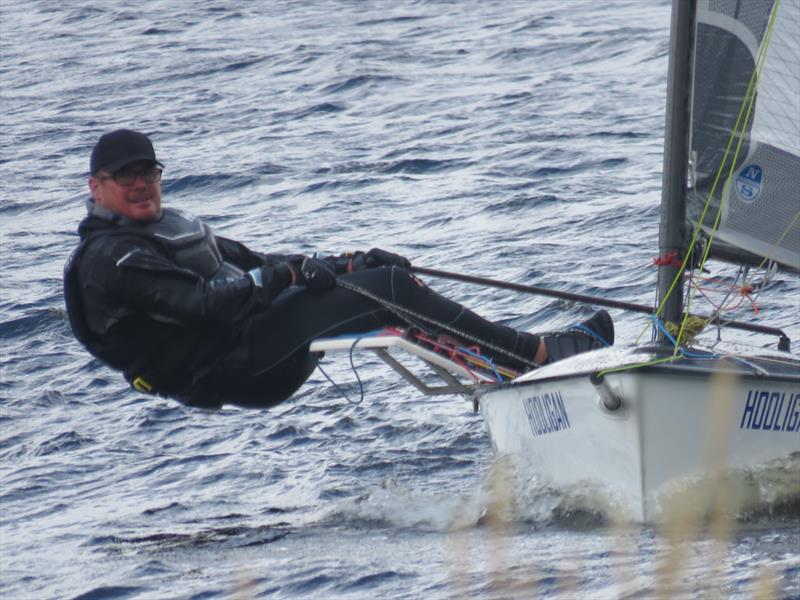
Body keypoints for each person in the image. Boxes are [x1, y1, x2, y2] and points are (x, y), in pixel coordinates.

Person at [64, 129, 614, 409]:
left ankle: (507, 370)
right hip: (232, 367)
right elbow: (206, 303)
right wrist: (284, 279)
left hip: (254, 337)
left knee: (376, 280)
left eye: (149, 172)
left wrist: (343, 262)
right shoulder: (110, 260)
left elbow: (258, 263)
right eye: (125, 176)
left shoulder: (169, 224)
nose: (140, 184)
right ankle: (535, 357)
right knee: (388, 291)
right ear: (97, 188)